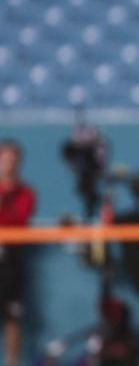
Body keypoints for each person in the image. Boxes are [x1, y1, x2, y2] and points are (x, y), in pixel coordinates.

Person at [0, 140, 36, 366]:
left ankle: (12, 362)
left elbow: (19, 220)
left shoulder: (26, 193)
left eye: (12, 159)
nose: (7, 163)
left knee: (13, 317)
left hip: (12, 260)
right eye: (4, 158)